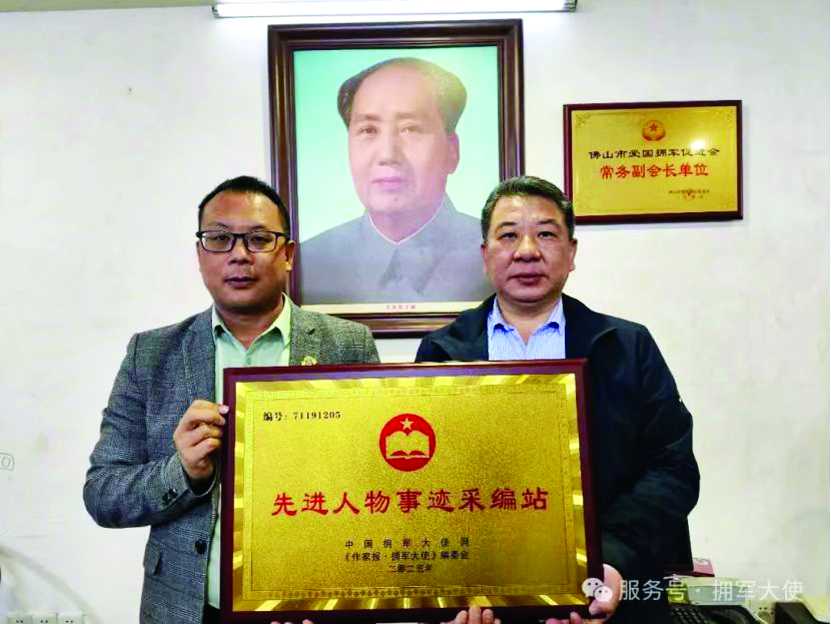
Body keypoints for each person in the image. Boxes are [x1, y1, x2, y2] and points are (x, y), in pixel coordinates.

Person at [83, 176, 380, 624]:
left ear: (288, 255)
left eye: (259, 239)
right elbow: (103, 494)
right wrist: (183, 471)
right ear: (200, 255)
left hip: (311, 607)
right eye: (220, 239)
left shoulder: (347, 345)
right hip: (190, 610)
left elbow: (377, 485)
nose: (239, 254)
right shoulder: (152, 355)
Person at [416, 175, 700, 624]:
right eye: (509, 235)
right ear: (486, 255)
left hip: (610, 591)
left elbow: (672, 468)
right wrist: (457, 586)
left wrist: (612, 561)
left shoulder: (626, 346)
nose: (527, 250)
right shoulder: (442, 351)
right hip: (484, 599)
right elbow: (421, 485)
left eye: (546, 234)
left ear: (571, 252)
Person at [300, 57, 492, 305]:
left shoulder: (500, 258)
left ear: (452, 151)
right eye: (368, 130)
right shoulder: (307, 264)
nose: (388, 154)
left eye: (410, 129)